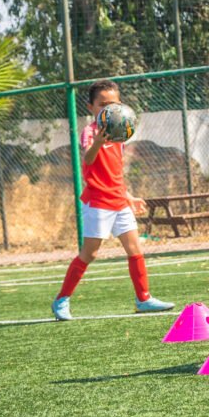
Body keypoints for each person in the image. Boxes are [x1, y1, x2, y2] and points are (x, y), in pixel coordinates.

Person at [52, 79, 174, 320]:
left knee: (135, 249)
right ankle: (61, 300)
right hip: (98, 202)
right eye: (102, 104)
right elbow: (87, 160)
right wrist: (98, 140)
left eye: (114, 104)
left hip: (119, 201)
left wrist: (129, 196)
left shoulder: (119, 135)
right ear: (91, 107)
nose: (108, 109)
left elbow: (115, 171)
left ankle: (144, 299)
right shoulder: (91, 132)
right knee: (90, 254)